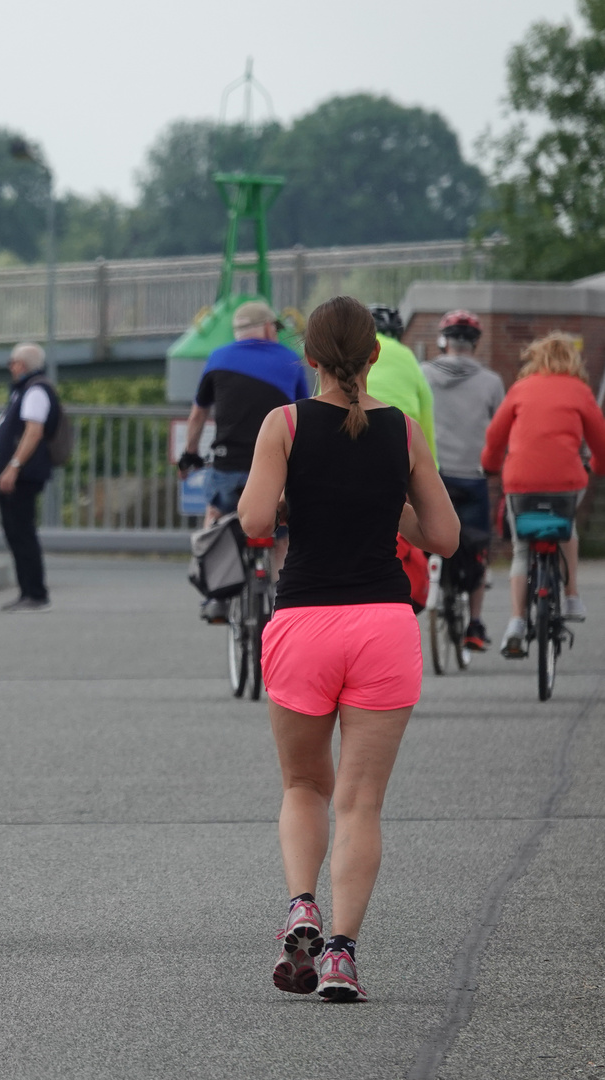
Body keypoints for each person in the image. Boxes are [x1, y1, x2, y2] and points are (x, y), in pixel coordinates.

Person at [239, 295, 458, 1003]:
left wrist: (297, 496)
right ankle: (340, 956)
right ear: (374, 356)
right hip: (383, 626)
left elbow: (253, 523)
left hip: (305, 622)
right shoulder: (404, 432)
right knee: (360, 805)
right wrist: (382, 502)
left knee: (305, 787)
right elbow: (445, 537)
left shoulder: (286, 424)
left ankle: (301, 904)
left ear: (308, 359)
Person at [178, 300, 310, 621]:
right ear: (267, 328)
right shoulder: (291, 360)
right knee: (282, 536)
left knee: (217, 516)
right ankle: (286, 608)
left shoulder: (218, 358)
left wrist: (190, 453)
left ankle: (216, 596)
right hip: (277, 470)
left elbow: (197, 416)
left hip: (228, 465)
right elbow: (305, 414)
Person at [482, 331, 605, 657]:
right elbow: (601, 442)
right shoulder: (580, 391)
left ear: (535, 358)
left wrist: (491, 465)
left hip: (520, 482)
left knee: (522, 549)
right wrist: (597, 465)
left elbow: (495, 436)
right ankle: (573, 595)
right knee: (568, 527)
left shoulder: (521, 389)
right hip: (566, 482)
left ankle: (516, 623)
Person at [423, 309, 504, 650]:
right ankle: (474, 622)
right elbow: (499, 432)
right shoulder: (491, 382)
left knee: (426, 537)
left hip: (434, 475)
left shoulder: (423, 373)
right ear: (474, 343)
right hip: (472, 476)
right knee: (477, 547)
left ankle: (430, 586)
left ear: (443, 341)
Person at [0, 342, 60, 612]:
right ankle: (27, 590)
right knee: (15, 532)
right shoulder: (24, 390)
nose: (10, 367)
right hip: (15, 474)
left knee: (22, 531)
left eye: (12, 362)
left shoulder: (35, 390)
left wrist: (13, 466)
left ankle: (35, 593)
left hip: (22, 475)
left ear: (22, 364)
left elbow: (33, 431)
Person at [364, 305, 437, 460]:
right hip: (400, 441)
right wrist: (432, 464)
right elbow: (426, 407)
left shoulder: (349, 352)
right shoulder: (407, 355)